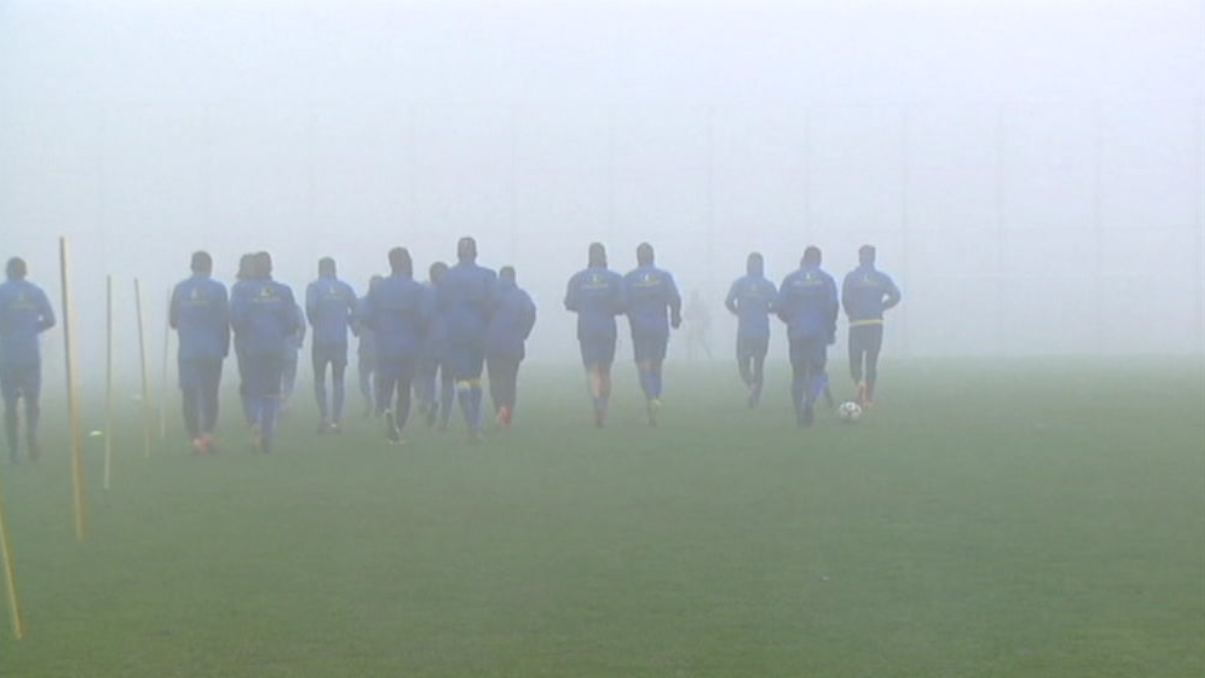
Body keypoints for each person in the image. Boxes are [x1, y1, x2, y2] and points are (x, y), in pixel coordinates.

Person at [230, 251, 299, 453]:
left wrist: (246, 334)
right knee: (271, 392)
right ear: (271, 267)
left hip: (250, 347)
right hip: (275, 347)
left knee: (250, 389)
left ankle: (254, 423)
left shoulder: (241, 290)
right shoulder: (283, 291)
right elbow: (292, 322)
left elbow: (236, 318)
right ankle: (268, 434)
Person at [360, 247, 429, 444]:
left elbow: (365, 316)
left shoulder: (378, 288)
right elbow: (424, 317)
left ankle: (386, 410)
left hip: (385, 343)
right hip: (409, 343)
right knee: (405, 388)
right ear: (407, 262)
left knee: (386, 384)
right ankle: (398, 427)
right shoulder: (416, 288)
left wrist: (380, 327)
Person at [168, 251, 230, 454]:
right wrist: (224, 346)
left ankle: (195, 438)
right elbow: (224, 320)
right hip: (212, 350)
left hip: (188, 351)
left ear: (191, 266)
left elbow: (173, 321)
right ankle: (207, 435)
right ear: (210, 267)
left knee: (189, 395)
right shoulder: (218, 289)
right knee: (210, 394)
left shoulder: (180, 289)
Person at [439, 237, 497, 442]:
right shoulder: (487, 276)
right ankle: (476, 423)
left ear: (457, 252)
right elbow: (493, 304)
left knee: (461, 379)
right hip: (478, 331)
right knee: (475, 377)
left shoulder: (447, 277)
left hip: (455, 331)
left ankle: (471, 423)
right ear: (476, 252)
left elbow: (441, 304)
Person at [0, 257, 55, 463]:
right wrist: (31, 329)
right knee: (32, 401)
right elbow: (50, 319)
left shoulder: (2, 292)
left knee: (10, 406)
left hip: (7, 357)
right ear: (25, 271)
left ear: (8, 271)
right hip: (31, 356)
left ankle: (14, 451)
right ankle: (32, 436)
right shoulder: (36, 292)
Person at [776, 246, 838, 427]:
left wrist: (791, 321)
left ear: (803, 258)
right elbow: (833, 305)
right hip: (819, 331)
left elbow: (780, 306)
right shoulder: (826, 280)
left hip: (797, 331)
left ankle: (798, 413)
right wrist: (830, 329)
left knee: (798, 373)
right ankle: (810, 401)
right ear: (819, 260)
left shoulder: (791, 279)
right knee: (818, 370)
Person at [564, 243, 625, 427]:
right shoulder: (615, 279)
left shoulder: (577, 279)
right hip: (607, 328)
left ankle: (597, 403)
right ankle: (604, 408)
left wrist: (585, 307)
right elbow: (622, 305)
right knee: (606, 370)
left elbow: (569, 304)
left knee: (592, 369)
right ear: (604, 256)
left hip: (586, 327)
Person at [623, 242, 681, 426]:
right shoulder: (664, 276)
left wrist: (630, 314)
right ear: (653, 257)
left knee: (643, 366)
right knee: (657, 366)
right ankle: (655, 399)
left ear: (638, 258)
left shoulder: (630, 278)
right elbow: (675, 298)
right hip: (660, 327)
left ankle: (651, 398)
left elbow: (623, 302)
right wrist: (675, 317)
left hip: (640, 327)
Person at [842, 244, 902, 409]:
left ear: (859, 257)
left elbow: (845, 299)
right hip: (875, 322)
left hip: (857, 323)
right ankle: (868, 399)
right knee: (871, 361)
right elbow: (896, 295)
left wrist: (852, 313)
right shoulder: (882, 278)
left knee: (855, 360)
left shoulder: (851, 277)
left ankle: (859, 383)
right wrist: (882, 306)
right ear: (874, 258)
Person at [306, 257, 358, 434]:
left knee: (319, 379)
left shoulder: (314, 288)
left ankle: (324, 416)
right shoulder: (345, 288)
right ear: (334, 269)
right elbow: (357, 309)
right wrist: (346, 320)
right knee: (338, 380)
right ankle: (337, 419)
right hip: (339, 340)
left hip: (321, 340)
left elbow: (310, 310)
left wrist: (318, 322)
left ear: (320, 269)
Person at [485, 266, 537, 428]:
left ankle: (498, 409)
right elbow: (531, 313)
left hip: (491, 344)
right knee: (510, 380)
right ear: (514, 278)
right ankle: (506, 414)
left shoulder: (490, 295)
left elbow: (482, 314)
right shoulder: (521, 296)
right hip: (513, 345)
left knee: (494, 380)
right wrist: (523, 333)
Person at [725, 252, 777, 408]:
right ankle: (756, 397)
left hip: (745, 330)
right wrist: (766, 309)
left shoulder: (740, 283)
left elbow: (728, 301)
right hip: (761, 331)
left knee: (743, 364)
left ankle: (751, 385)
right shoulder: (767, 285)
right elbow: (778, 304)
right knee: (759, 365)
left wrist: (737, 312)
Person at [418, 262, 454, 430]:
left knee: (429, 377)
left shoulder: (426, 292)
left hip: (430, 341)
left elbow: (422, 316)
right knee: (448, 381)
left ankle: (431, 401)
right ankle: (444, 419)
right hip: (450, 342)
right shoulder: (454, 294)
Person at [355, 275, 383, 417]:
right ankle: (369, 402)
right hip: (366, 346)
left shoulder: (386, 304)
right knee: (363, 378)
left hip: (380, 347)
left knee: (379, 378)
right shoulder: (362, 303)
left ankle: (377, 404)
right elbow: (355, 321)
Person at [280, 301, 306, 412]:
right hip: (290, 346)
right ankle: (286, 402)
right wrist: (300, 341)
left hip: (273, 347)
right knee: (289, 376)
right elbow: (302, 326)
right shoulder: (295, 308)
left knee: (274, 376)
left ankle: (276, 403)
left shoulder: (272, 307)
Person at [683, 289, 713, 360]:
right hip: (697, 324)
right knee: (700, 341)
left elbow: (686, 315)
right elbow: (686, 315)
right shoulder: (699, 304)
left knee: (693, 340)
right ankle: (709, 356)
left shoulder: (692, 304)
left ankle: (689, 357)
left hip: (696, 324)